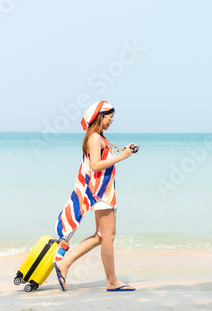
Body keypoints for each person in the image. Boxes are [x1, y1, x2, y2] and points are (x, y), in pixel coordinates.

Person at [53, 101, 136, 292]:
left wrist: (123, 151)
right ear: (100, 116)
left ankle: (64, 264)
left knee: (101, 236)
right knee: (108, 236)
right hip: (100, 193)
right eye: (110, 118)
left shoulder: (98, 138)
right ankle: (112, 281)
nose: (111, 121)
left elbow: (101, 160)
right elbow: (95, 165)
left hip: (103, 191)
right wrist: (121, 157)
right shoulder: (94, 138)